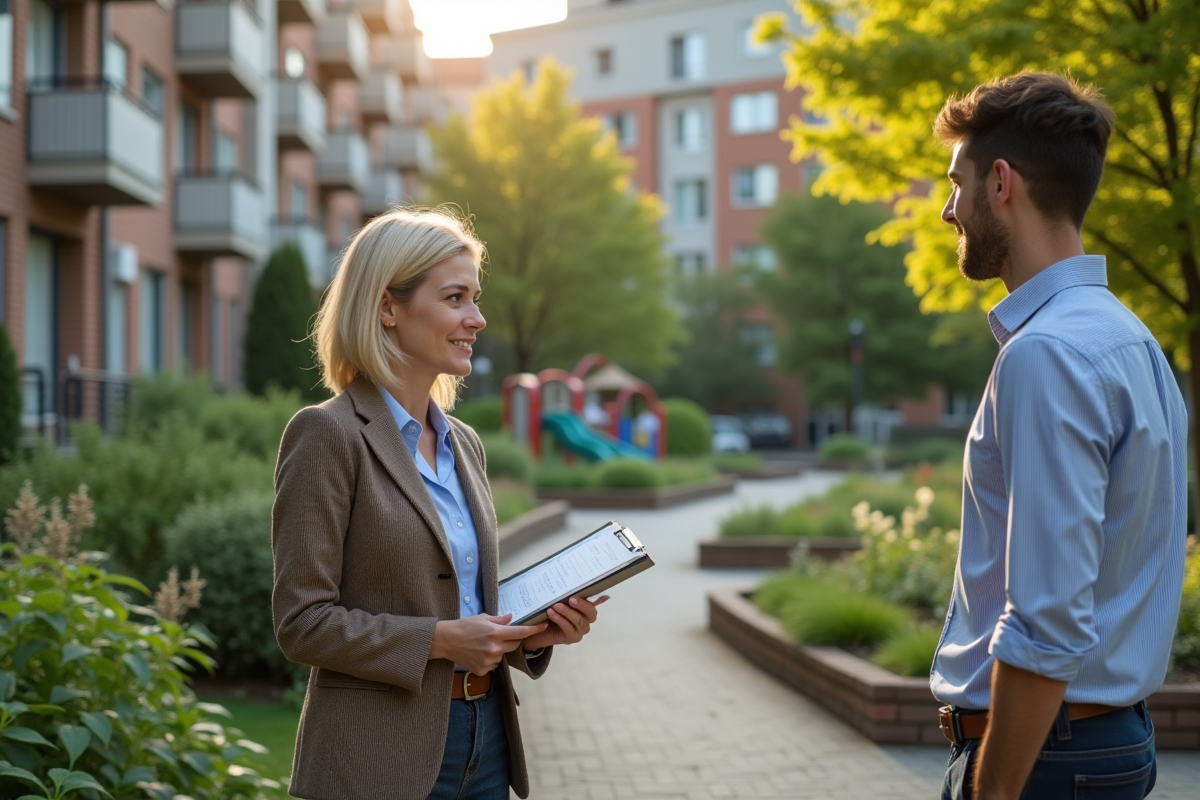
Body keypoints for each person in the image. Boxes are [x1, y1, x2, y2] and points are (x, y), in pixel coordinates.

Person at [271, 208, 606, 800]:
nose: (476, 319)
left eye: (475, 299)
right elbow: (302, 624)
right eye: (455, 298)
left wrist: (530, 635)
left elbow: (468, 602)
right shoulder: (328, 436)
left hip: (488, 742)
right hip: (375, 759)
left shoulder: (464, 444)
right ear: (387, 308)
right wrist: (441, 641)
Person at [929, 73, 1188, 800]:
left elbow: (1046, 618)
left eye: (958, 183)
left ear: (1001, 183)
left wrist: (993, 792)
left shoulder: (1046, 354)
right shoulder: (1132, 340)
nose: (948, 210)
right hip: (1099, 745)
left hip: (1045, 763)